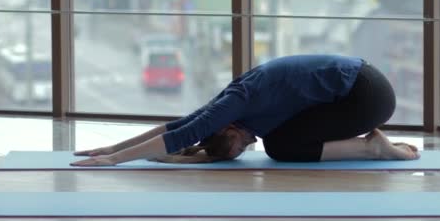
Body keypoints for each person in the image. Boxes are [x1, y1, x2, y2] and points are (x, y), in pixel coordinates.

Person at [71, 55, 420, 166]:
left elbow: (184, 133)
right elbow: (180, 125)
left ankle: (371, 147)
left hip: (368, 94)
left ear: (228, 128)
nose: (247, 146)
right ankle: (369, 144)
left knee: (282, 147)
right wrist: (113, 146)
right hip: (361, 88)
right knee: (281, 141)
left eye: (239, 145)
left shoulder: (235, 104)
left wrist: (114, 161)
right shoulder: (230, 109)